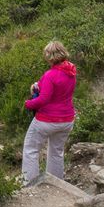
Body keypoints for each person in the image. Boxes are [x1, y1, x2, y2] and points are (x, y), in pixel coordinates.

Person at [21, 40, 77, 185]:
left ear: (50, 55)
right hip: (67, 119)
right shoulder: (71, 72)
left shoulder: (50, 75)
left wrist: (28, 104)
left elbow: (44, 99)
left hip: (47, 120)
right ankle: (56, 184)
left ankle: (29, 184)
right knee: (56, 152)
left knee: (31, 149)